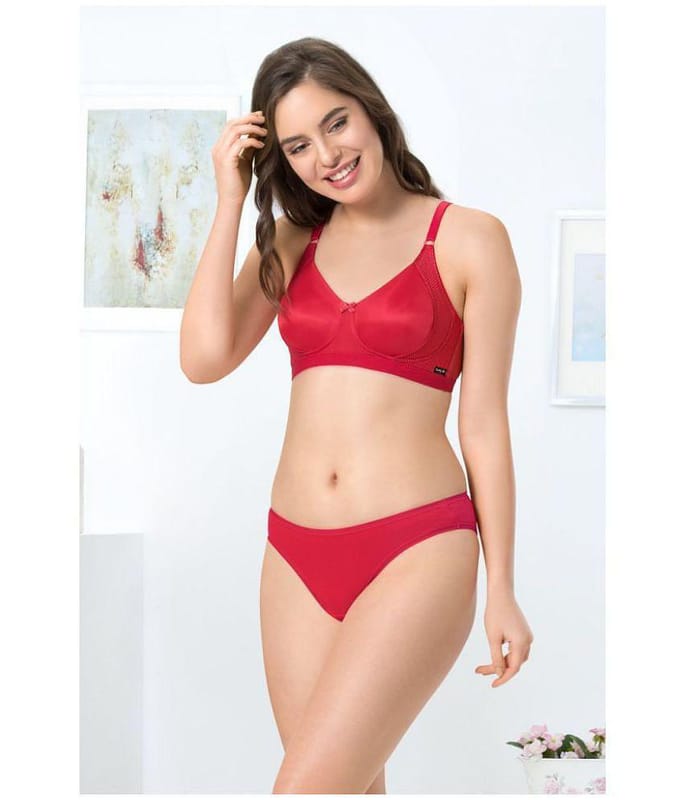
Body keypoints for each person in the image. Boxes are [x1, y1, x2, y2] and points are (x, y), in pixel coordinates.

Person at [180, 36, 533, 795]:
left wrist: (501, 585)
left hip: (418, 548)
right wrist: (230, 199)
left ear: (371, 111)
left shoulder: (469, 238)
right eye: (298, 146)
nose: (327, 156)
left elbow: (483, 426)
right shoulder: (290, 241)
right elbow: (204, 358)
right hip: (295, 554)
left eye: (336, 123)